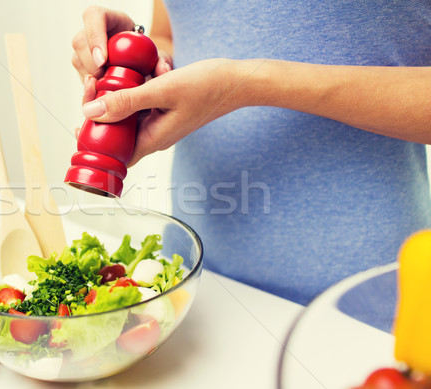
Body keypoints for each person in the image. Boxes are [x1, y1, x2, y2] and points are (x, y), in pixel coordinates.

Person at [71, 1, 431, 305]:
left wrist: (248, 84)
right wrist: (141, 53)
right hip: (191, 275)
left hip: (356, 299)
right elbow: (174, 30)